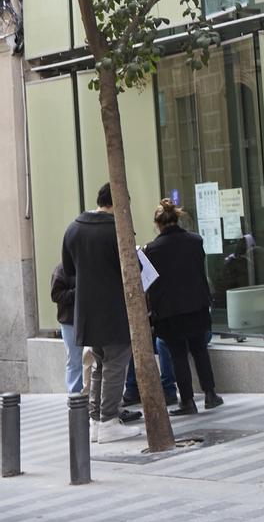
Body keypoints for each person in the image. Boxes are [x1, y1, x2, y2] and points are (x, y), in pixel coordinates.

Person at [62, 183, 143, 443]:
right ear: (118, 202)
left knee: (98, 365)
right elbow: (135, 268)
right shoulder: (118, 230)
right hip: (114, 308)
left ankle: (96, 420)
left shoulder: (73, 228)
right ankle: (108, 420)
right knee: (116, 364)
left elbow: (68, 269)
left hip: (86, 311)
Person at [143, 199, 223, 416]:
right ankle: (210, 394)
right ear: (177, 218)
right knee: (199, 349)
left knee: (177, 354)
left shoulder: (152, 250)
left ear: (157, 224)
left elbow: (149, 282)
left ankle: (187, 401)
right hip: (196, 305)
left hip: (169, 310)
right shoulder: (195, 241)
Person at [50, 264, 84, 394]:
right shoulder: (61, 270)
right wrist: (77, 292)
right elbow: (55, 295)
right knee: (75, 358)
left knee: (89, 358)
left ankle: (86, 393)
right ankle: (74, 394)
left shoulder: (86, 266)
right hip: (70, 321)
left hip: (87, 319)